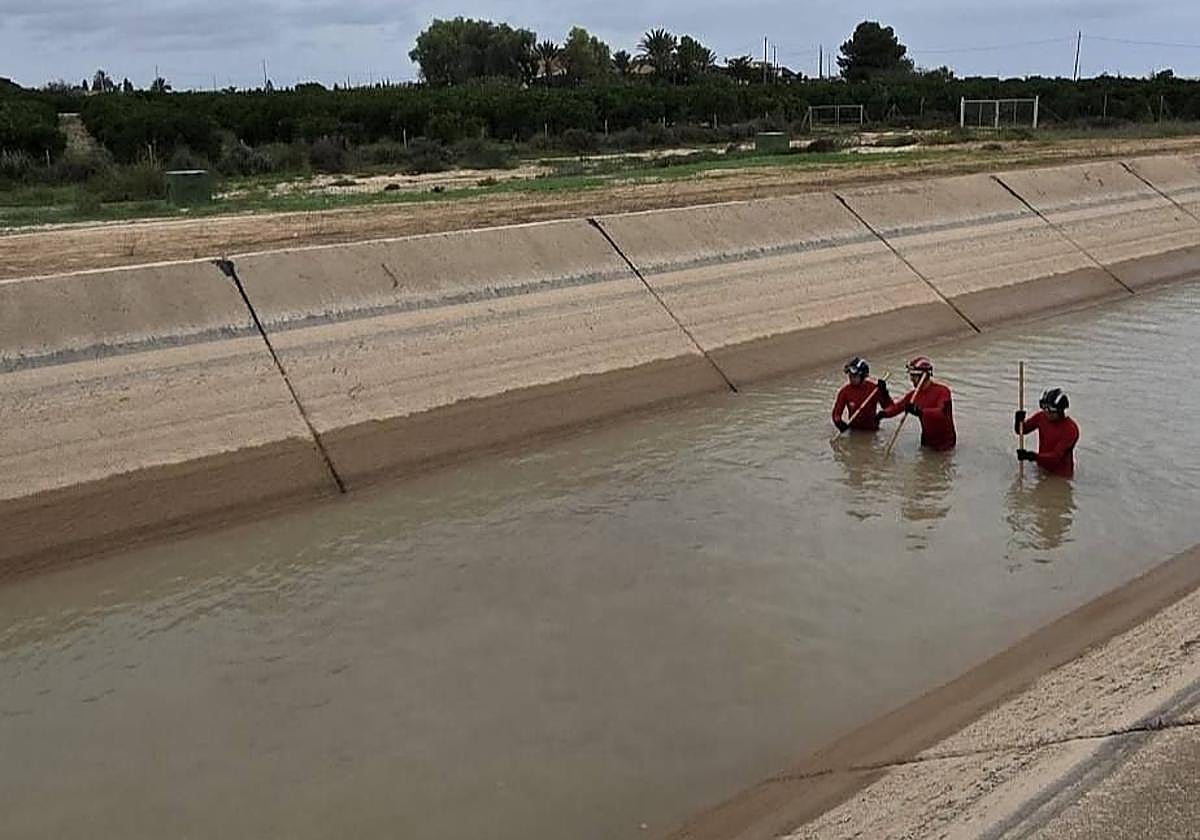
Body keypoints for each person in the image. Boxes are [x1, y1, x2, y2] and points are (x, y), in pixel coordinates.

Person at [877, 356, 956, 450]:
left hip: (946, 443)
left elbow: (941, 413)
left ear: (924, 376)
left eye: (914, 376)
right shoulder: (913, 396)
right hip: (926, 440)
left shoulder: (943, 391)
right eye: (911, 376)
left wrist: (920, 412)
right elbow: (896, 408)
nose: (911, 379)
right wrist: (882, 413)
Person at [1015, 388, 1079, 477]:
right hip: (1041, 468)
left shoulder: (1070, 430)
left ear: (1060, 411)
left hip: (1060, 476)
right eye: (1044, 409)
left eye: (1050, 411)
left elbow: (1056, 457)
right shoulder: (1041, 417)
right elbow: (1021, 430)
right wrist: (1018, 420)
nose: (1046, 413)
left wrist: (1032, 457)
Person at [831, 357, 892, 432]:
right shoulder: (845, 391)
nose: (851, 378)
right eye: (849, 375)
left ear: (863, 376)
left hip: (872, 431)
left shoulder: (873, 389)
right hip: (854, 430)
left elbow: (889, 407)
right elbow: (836, 413)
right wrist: (839, 423)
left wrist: (884, 392)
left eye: (854, 376)